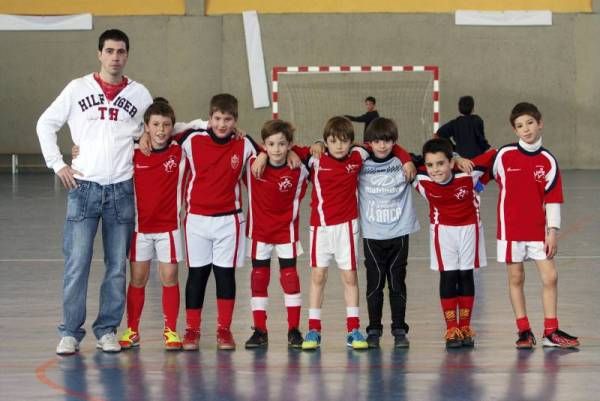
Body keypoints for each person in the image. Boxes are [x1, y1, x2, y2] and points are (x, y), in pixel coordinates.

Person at [37, 29, 153, 355]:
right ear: (99, 54)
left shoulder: (140, 94)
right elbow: (45, 123)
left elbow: (162, 126)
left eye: (121, 51)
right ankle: (70, 332)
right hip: (83, 186)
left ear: (127, 55)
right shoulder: (77, 89)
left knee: (117, 265)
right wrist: (58, 163)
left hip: (122, 189)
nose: (115, 57)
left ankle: (107, 330)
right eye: (110, 51)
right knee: (77, 262)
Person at [292, 116, 413, 350]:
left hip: (347, 227)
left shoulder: (359, 155)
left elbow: (386, 144)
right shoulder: (315, 158)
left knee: (349, 278)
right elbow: (286, 148)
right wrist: (312, 143)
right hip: (321, 228)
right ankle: (314, 330)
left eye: (344, 141)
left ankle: (353, 329)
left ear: (352, 142)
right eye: (333, 140)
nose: (339, 145)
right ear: (326, 142)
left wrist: (406, 159)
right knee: (318, 277)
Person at [493, 102, 579, 349]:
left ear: (540, 123)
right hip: (510, 231)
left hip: (537, 231)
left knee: (550, 276)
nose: (526, 129)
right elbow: (479, 171)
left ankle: (550, 333)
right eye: (520, 126)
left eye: (530, 123)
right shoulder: (504, 155)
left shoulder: (548, 160)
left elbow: (552, 199)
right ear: (514, 130)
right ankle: (524, 331)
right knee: (516, 277)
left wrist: (552, 232)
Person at [179, 93, 259, 351]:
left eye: (228, 119)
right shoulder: (192, 140)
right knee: (197, 275)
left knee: (225, 276)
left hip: (229, 222)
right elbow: (164, 133)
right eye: (217, 118)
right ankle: (192, 330)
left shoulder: (245, 144)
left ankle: (224, 331)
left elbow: (267, 153)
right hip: (196, 221)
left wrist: (279, 155)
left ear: (236, 120)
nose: (222, 124)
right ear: (209, 118)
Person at [116, 99, 186, 351]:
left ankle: (171, 329)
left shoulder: (180, 150)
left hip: (169, 229)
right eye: (155, 124)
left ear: (173, 127)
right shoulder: (133, 151)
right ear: (145, 126)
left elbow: (203, 127)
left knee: (169, 276)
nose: (161, 130)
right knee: (138, 278)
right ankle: (132, 329)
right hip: (140, 229)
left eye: (166, 125)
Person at [413, 138, 495, 348]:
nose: (435, 170)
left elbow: (495, 152)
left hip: (469, 229)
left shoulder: (469, 173)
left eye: (441, 163)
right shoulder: (421, 178)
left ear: (450, 163)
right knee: (448, 276)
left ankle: (465, 327)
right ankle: (451, 329)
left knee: (466, 275)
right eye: (430, 165)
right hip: (442, 232)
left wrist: (459, 158)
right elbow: (402, 157)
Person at [242, 119, 309, 349]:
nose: (277, 149)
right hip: (259, 232)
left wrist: (295, 151)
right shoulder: (252, 166)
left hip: (286, 232)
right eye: (270, 144)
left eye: (282, 144)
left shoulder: (299, 167)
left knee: (290, 279)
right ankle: (260, 330)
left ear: (289, 144)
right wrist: (261, 153)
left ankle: (293, 329)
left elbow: (320, 149)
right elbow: (238, 136)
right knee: (259, 278)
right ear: (264, 144)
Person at [358, 117, 421, 349]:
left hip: (399, 232)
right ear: (369, 143)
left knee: (397, 283)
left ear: (394, 142)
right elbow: (340, 150)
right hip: (373, 235)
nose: (382, 145)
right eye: (376, 141)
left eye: (387, 141)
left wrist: (455, 157)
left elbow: (437, 159)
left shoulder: (405, 161)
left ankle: (398, 328)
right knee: (374, 285)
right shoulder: (360, 161)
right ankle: (374, 328)